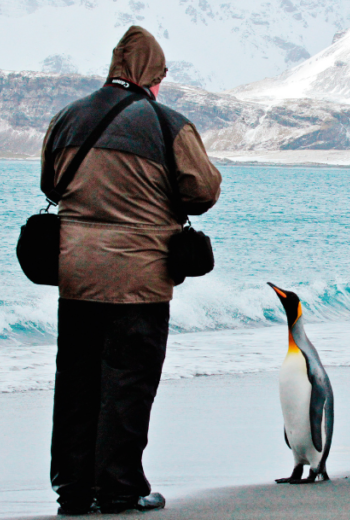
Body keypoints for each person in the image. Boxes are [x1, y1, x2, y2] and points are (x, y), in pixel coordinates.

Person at [40, 26, 221, 515]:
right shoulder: (168, 125)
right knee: (128, 383)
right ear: (152, 76)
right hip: (140, 281)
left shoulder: (67, 118)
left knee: (76, 384)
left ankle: (73, 491)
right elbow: (203, 192)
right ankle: (119, 488)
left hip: (75, 277)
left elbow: (51, 185)